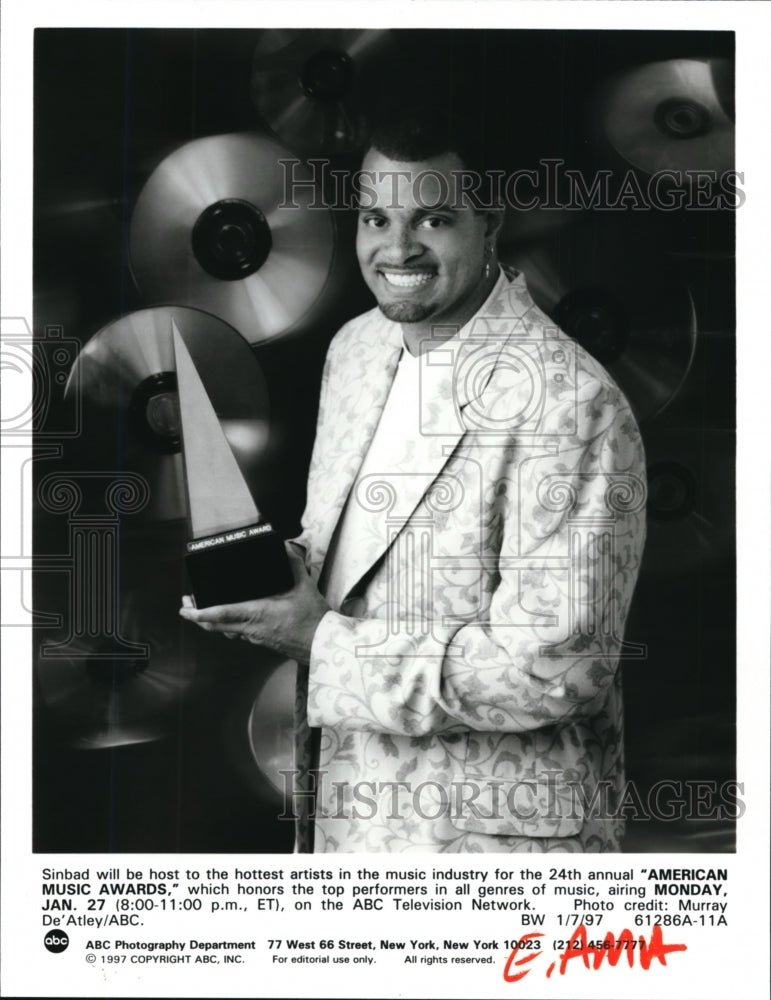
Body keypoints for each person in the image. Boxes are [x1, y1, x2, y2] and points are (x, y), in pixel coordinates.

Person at [180, 110, 647, 853]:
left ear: (489, 221)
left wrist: (319, 640)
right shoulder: (358, 347)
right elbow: (359, 556)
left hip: (496, 861)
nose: (395, 249)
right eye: (375, 217)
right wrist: (277, 580)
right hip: (348, 823)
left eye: (432, 219)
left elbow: (556, 668)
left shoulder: (571, 403)